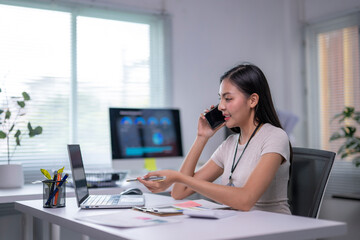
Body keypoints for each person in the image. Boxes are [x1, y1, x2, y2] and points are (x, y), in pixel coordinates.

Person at [138, 63, 292, 214]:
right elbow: (179, 192)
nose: (220, 107)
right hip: (240, 226)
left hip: (271, 228)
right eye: (220, 99)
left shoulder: (275, 137)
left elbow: (245, 200)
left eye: (228, 99)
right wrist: (201, 137)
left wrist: (178, 177)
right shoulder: (230, 144)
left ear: (252, 100)